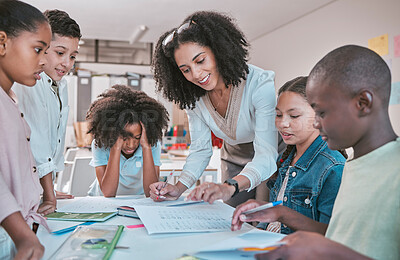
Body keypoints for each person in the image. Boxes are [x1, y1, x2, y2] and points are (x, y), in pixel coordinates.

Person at [256, 45, 399, 260]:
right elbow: (340, 237)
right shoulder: (353, 166)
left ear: (363, 103)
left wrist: (327, 249)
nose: (315, 122)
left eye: (322, 112)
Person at [150, 11, 278, 207]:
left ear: (218, 51)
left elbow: (266, 156)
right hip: (233, 155)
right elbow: (201, 150)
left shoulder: (259, 83)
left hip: (272, 153)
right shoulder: (194, 98)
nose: (196, 74)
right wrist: (178, 188)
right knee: (233, 217)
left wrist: (230, 186)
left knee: (262, 220)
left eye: (200, 60)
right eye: (185, 70)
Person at [231, 76, 346, 235]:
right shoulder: (284, 160)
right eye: (278, 115)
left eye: (294, 116)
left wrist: (281, 214)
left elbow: (331, 235)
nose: (282, 123)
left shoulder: (333, 168)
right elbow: (275, 223)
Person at [13, 9, 81, 216]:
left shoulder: (61, 85)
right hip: (21, 186)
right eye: (60, 53)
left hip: (37, 184)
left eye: (72, 56)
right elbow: (39, 142)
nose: (67, 63)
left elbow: (55, 138)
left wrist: (47, 189)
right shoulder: (32, 81)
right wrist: (49, 196)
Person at [0, 0, 51, 258]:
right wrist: (21, 235)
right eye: (38, 49)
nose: (45, 61)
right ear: (2, 42)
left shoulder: (9, 99)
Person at [86, 85, 169, 197]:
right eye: (124, 138)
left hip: (138, 201)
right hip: (102, 201)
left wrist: (146, 147)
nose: (131, 145)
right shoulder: (100, 144)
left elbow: (151, 192)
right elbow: (108, 192)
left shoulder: (151, 144)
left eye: (137, 137)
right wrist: (116, 147)